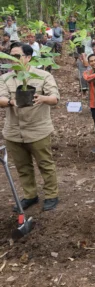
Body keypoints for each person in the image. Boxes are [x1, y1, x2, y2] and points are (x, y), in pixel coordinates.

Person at [0, 43, 60, 211]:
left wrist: (43, 98)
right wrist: (11, 102)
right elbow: (1, 98)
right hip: (13, 131)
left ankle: (51, 194)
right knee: (22, 167)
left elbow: (55, 97)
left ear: (28, 57)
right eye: (10, 56)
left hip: (38, 130)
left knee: (45, 164)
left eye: (17, 56)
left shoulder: (43, 75)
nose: (13, 60)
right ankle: (30, 195)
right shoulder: (5, 78)